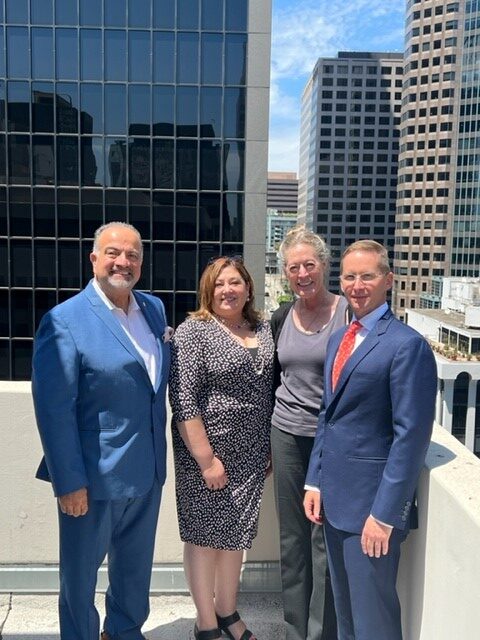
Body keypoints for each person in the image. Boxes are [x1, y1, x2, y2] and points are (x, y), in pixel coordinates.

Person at [32, 222, 171, 640]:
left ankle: (125, 632)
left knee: (134, 571)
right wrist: (68, 481)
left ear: (141, 265)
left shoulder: (153, 309)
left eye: (132, 255)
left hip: (146, 473)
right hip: (91, 480)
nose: (122, 262)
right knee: (79, 578)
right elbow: (54, 409)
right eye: (113, 252)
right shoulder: (64, 320)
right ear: (94, 259)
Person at [304, 240, 437, 640]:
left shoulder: (406, 345)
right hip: (335, 501)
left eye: (368, 276)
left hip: (372, 511)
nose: (357, 285)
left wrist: (385, 515)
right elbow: (329, 415)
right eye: (349, 276)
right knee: (346, 617)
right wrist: (315, 479)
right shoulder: (339, 337)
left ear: (388, 280)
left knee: (374, 621)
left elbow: (410, 437)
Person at [169, 256, 274, 640]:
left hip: (251, 452)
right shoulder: (193, 331)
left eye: (235, 282)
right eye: (219, 284)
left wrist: (268, 445)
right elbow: (183, 399)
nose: (227, 290)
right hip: (207, 451)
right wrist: (206, 459)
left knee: (236, 534)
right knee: (203, 536)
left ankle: (228, 612)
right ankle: (206, 623)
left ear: (248, 286)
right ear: (207, 292)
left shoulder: (262, 326)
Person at [270, 227, 345, 640]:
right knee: (292, 539)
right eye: (294, 267)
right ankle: (294, 630)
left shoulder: (347, 313)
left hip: (330, 441)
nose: (302, 274)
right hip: (285, 435)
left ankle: (321, 633)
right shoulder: (283, 316)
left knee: (323, 540)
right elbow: (270, 377)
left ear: (324, 265)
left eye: (309, 265)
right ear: (285, 272)